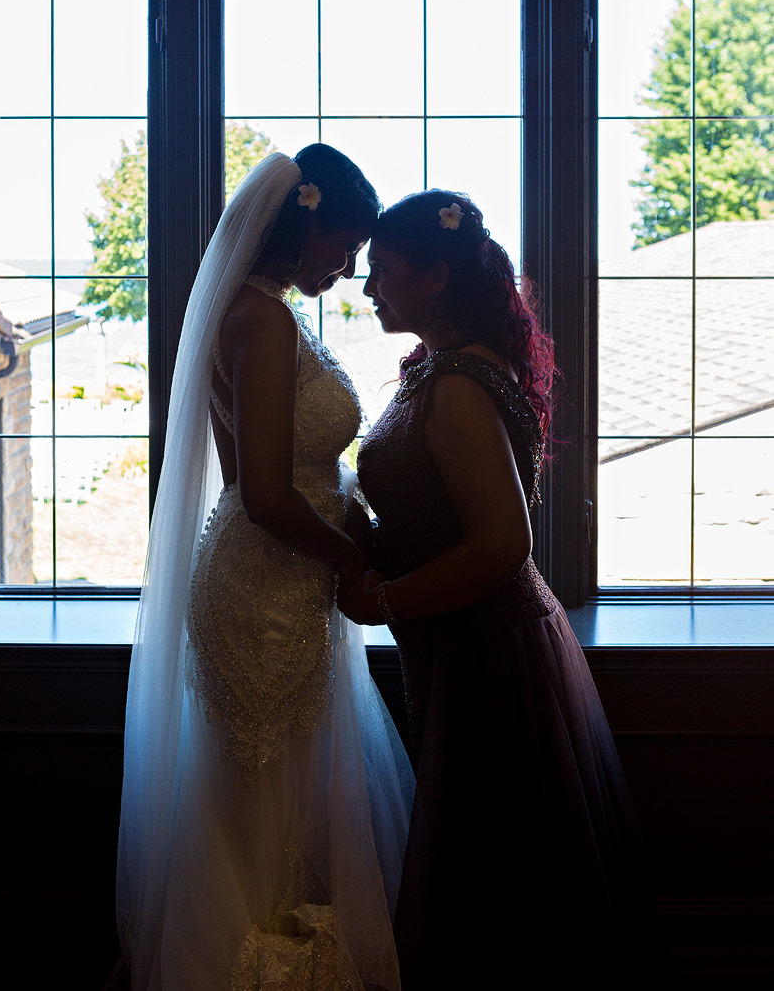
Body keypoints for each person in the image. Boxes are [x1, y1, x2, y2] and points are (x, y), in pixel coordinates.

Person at [337, 190, 662, 991]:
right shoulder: (441, 370)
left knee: (500, 885)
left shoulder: (456, 387)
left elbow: (500, 546)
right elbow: (434, 516)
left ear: (437, 275)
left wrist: (379, 601)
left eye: (384, 271)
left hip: (489, 657)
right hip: (464, 645)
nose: (369, 287)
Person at [117, 146, 413, 991]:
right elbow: (267, 499)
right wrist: (359, 557)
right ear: (302, 224)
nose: (348, 268)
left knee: (274, 788)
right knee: (259, 789)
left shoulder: (255, 312)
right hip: (267, 584)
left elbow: (267, 476)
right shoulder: (264, 320)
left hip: (277, 578)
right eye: (343, 246)